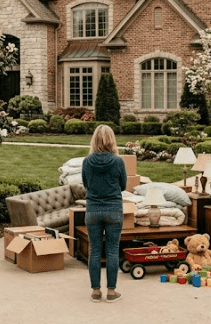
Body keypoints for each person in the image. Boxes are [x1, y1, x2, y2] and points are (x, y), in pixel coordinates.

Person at [81, 124, 127, 303]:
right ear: (111, 140)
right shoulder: (118, 161)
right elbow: (123, 185)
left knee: (94, 251)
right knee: (113, 251)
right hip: (113, 210)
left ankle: (95, 291)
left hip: (92, 209)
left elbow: (86, 184)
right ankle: (111, 291)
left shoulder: (87, 161)